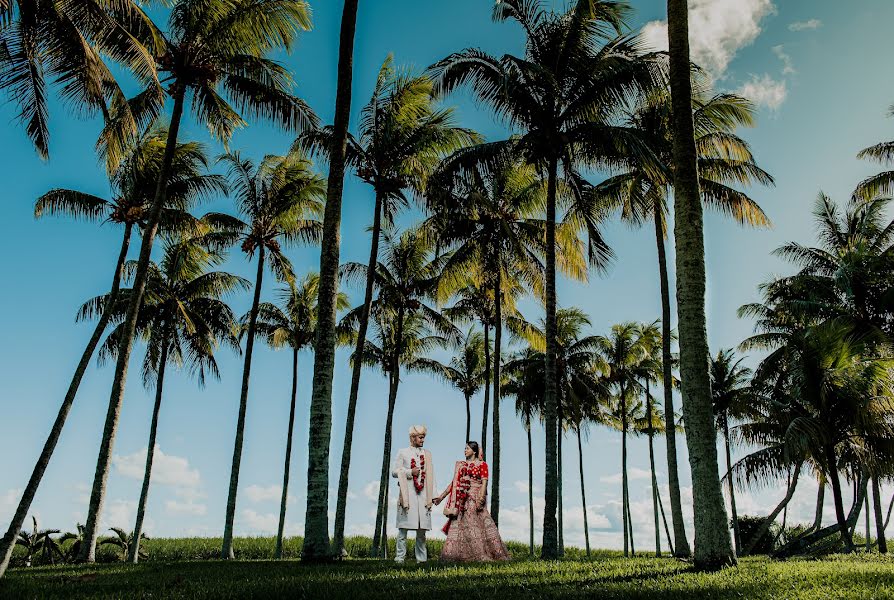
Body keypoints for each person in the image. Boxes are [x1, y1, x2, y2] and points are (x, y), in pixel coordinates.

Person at [434, 441, 510, 562]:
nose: (465, 450)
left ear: (474, 451)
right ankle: (457, 555)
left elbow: (484, 482)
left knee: (478, 524)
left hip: (475, 496)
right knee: (460, 525)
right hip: (461, 499)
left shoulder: (482, 464)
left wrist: (481, 498)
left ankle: (481, 554)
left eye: (467, 448)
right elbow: (454, 483)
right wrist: (441, 497)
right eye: (464, 448)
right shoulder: (461, 465)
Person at [391, 425, 436, 563]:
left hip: (423, 497)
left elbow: (431, 476)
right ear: (412, 438)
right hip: (408, 496)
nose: (423, 440)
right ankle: (399, 558)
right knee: (403, 530)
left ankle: (421, 560)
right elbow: (394, 472)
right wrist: (410, 472)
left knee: (421, 532)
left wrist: (434, 496)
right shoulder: (403, 452)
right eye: (420, 437)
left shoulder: (427, 454)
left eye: (423, 437)